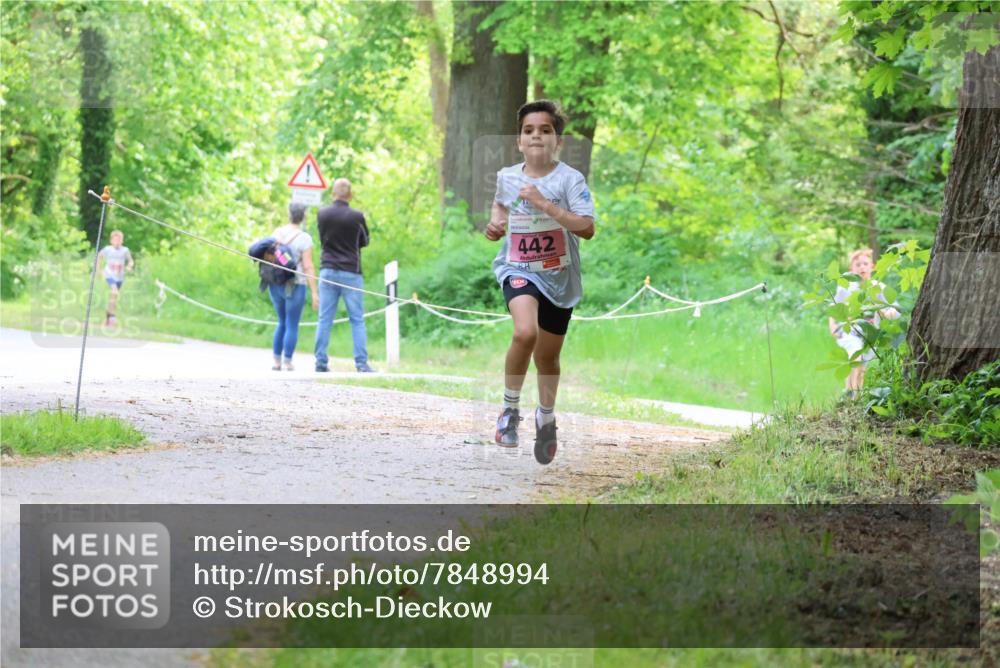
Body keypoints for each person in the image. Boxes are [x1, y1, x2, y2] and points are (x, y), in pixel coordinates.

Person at [484, 99, 596, 465]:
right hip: (518, 268)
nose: (536, 136)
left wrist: (545, 203)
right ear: (519, 141)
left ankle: (546, 418)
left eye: (545, 130)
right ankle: (508, 411)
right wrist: (496, 223)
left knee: (548, 357)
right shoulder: (507, 176)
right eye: (528, 130)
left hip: (559, 277)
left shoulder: (570, 179)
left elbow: (587, 227)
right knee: (524, 333)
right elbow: (500, 205)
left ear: (557, 141)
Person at [314, 178, 375, 373]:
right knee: (356, 319)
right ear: (350, 195)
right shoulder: (357, 217)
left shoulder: (322, 214)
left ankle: (320, 362)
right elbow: (365, 241)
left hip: (327, 270)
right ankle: (361, 363)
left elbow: (322, 238)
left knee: (325, 318)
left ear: (333, 194)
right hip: (351, 271)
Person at [828, 248, 900, 396]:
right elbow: (834, 307)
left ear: (872, 266)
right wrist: (832, 326)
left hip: (870, 335)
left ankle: (852, 395)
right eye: (858, 264)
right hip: (849, 332)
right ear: (851, 269)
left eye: (865, 264)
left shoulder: (878, 287)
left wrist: (887, 313)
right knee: (856, 357)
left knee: (861, 368)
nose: (862, 267)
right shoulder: (846, 287)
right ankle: (853, 396)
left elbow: (896, 309)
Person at [268, 202, 319, 371]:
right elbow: (308, 266)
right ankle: (287, 361)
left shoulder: (277, 233)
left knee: (281, 322)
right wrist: (314, 292)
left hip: (275, 282)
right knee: (291, 323)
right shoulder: (304, 238)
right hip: (296, 284)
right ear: (304, 217)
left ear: (289, 214)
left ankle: (276, 361)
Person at [98, 230, 134, 327]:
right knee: (114, 292)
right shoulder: (108, 249)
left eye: (119, 240)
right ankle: (112, 318)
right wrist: (99, 270)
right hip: (109, 275)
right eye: (115, 240)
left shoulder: (125, 250)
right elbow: (99, 257)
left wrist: (129, 266)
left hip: (119, 277)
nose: (117, 242)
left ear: (122, 241)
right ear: (111, 241)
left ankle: (108, 316)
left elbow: (131, 261)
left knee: (114, 298)